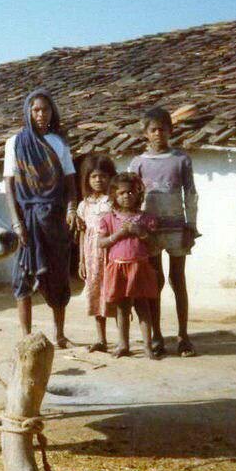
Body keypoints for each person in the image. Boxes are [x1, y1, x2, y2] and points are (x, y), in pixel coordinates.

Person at [3, 89, 78, 348]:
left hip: (54, 219)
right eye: (35, 109)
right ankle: (26, 336)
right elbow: (9, 187)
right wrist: (16, 223)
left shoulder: (59, 143)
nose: (40, 114)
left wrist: (71, 210)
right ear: (27, 112)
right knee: (22, 278)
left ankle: (59, 334)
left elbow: (70, 182)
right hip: (27, 219)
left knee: (58, 277)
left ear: (52, 112)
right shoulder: (15, 143)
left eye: (45, 109)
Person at [128, 107, 200, 357]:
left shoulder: (181, 160)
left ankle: (183, 336)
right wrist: (135, 227)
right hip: (150, 230)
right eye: (153, 130)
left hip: (177, 227)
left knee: (178, 280)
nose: (158, 133)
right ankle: (157, 335)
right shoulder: (138, 163)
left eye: (162, 129)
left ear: (171, 130)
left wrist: (192, 225)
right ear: (145, 134)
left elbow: (190, 194)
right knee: (154, 282)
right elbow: (131, 198)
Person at [98, 173, 160, 359]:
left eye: (131, 192)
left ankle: (148, 346)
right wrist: (119, 234)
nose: (127, 196)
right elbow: (101, 243)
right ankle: (123, 345)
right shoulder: (109, 219)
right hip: (118, 268)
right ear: (114, 196)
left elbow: (156, 244)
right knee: (122, 309)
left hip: (139, 267)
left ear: (138, 194)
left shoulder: (146, 218)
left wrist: (141, 233)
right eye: (122, 192)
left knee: (143, 307)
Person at [76, 154, 117, 352]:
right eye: (93, 177)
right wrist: (81, 261)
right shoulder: (84, 205)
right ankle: (101, 339)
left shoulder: (114, 202)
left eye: (102, 176)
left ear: (110, 177)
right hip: (92, 257)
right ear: (87, 179)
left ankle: (123, 339)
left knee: (115, 294)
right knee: (95, 294)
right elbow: (83, 234)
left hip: (112, 254)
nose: (98, 180)